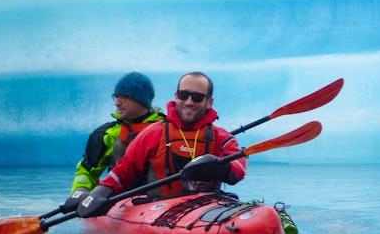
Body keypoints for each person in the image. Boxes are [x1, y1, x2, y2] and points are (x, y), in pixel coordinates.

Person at [78, 71, 246, 217]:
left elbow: (238, 168)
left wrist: (220, 167)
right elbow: (123, 171)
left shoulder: (221, 136)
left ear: (209, 102)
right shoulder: (153, 133)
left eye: (197, 97)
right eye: (183, 95)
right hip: (158, 208)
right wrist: (100, 192)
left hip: (206, 207)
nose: (189, 102)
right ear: (176, 96)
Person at [60, 72, 164, 214]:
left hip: (162, 203)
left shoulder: (168, 129)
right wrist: (81, 190)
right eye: (116, 97)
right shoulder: (107, 134)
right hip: (120, 201)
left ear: (141, 100)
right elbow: (87, 170)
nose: (117, 102)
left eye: (124, 97)